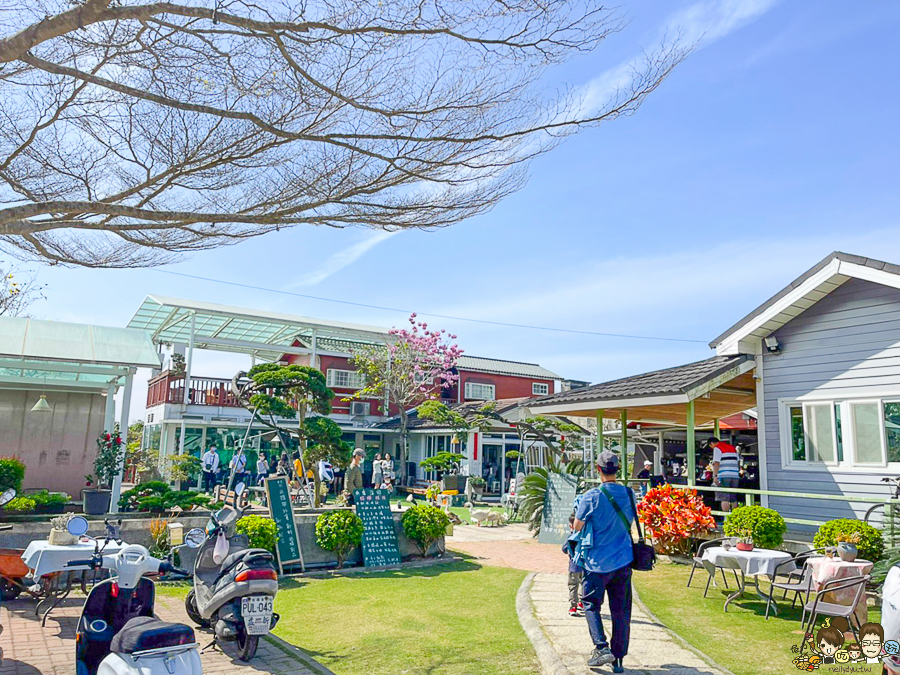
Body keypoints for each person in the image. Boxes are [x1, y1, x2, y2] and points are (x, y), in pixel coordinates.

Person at [574, 450, 635, 673]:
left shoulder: (591, 496)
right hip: (623, 560)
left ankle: (601, 647)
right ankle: (618, 659)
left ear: (598, 469)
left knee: (590, 604)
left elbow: (577, 526)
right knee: (621, 610)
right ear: (617, 470)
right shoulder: (629, 494)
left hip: (596, 562)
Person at [709, 437, 740, 512]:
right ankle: (734, 517)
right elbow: (738, 461)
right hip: (735, 475)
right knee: (733, 498)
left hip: (723, 475)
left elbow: (716, 463)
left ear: (712, 443)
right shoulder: (732, 448)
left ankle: (725, 517)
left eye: (710, 446)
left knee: (724, 497)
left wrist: (715, 476)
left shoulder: (717, 448)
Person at [565, 512, 584, 617]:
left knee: (573, 586)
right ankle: (582, 602)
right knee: (583, 585)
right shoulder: (585, 535)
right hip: (584, 566)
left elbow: (564, 548)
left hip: (573, 567)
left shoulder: (571, 537)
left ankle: (573, 606)